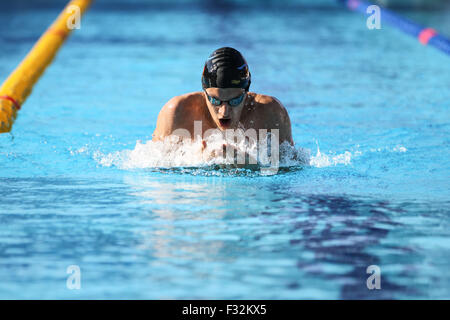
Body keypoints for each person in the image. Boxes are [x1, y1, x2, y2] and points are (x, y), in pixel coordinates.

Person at [152, 47, 294, 148]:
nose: (224, 112)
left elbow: (292, 169)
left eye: (235, 100)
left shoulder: (271, 114)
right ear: (204, 92)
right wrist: (198, 161)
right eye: (215, 100)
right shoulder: (177, 112)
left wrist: (252, 167)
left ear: (246, 93)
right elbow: (154, 167)